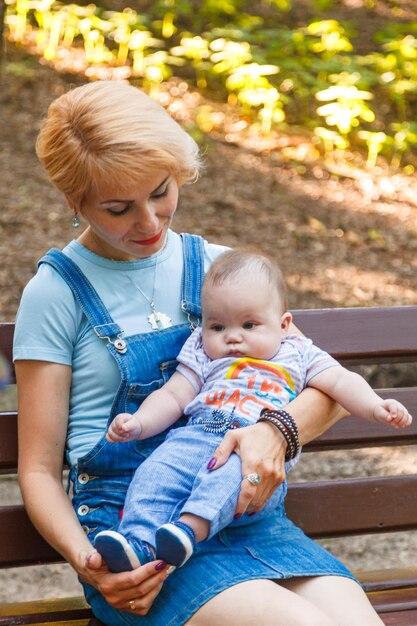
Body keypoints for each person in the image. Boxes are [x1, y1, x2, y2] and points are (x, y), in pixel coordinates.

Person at [13, 79, 386, 626]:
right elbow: (39, 470)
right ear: (74, 200)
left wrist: (273, 431)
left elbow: (318, 385)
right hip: (133, 534)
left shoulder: (222, 269)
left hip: (245, 514)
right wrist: (91, 565)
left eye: (161, 192)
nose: (149, 222)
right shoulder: (55, 293)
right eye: (119, 208)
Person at [94, 249, 412, 571]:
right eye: (217, 326)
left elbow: (341, 383)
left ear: (284, 324)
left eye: (249, 324)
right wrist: (138, 423)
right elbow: (174, 395)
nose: (233, 337)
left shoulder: (298, 353)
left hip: (253, 456)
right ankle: (139, 543)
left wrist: (375, 406)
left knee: (233, 477)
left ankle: (188, 531)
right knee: (155, 471)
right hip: (195, 436)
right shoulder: (202, 351)